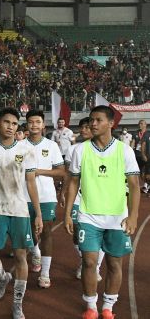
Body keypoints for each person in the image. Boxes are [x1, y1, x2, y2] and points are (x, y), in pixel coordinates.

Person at [64, 105, 141, 319]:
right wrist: (68, 213)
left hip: (117, 218)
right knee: (89, 261)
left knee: (114, 263)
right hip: (88, 216)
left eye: (98, 120)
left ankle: (108, 307)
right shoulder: (81, 150)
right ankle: (91, 306)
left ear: (111, 123)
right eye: (91, 120)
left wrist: (133, 215)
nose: (93, 124)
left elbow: (134, 185)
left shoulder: (124, 150)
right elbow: (73, 183)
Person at [0, 107, 43, 319]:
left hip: (19, 211)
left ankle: (17, 303)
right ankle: (3, 278)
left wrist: (38, 214)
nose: (11, 127)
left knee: (21, 256)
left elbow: (31, 183)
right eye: (6, 123)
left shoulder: (25, 150)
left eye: (14, 124)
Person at [23, 110, 65, 288]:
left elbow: (61, 172)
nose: (34, 125)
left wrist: (38, 171)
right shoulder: (19, 146)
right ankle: (35, 251)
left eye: (37, 122)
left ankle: (45, 273)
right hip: (23, 196)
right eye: (31, 122)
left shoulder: (52, 146)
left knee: (46, 231)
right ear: (26, 125)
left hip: (46, 196)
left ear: (43, 125)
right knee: (30, 231)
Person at [60, 117, 105, 281]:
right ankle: (85, 261)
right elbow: (69, 175)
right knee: (77, 232)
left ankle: (95, 267)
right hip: (78, 198)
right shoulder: (74, 150)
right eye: (83, 127)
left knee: (100, 234)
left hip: (99, 200)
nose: (86, 130)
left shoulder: (105, 149)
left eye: (88, 127)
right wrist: (63, 192)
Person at [132, 120, 149, 193]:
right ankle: (144, 186)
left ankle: (146, 185)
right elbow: (132, 144)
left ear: (146, 125)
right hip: (137, 155)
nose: (140, 125)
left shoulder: (148, 134)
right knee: (139, 172)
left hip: (146, 155)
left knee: (147, 172)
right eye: (139, 123)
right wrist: (131, 153)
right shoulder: (135, 133)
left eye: (142, 124)